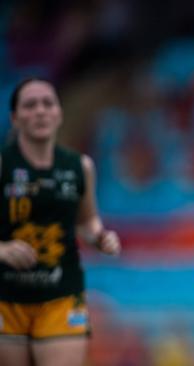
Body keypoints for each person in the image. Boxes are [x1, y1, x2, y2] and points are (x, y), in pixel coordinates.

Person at [0, 78, 121, 366]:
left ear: (59, 113)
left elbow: (87, 221)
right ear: (15, 118)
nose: (40, 111)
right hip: (6, 295)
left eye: (48, 103)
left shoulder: (80, 167)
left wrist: (101, 236)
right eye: (30, 105)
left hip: (61, 293)